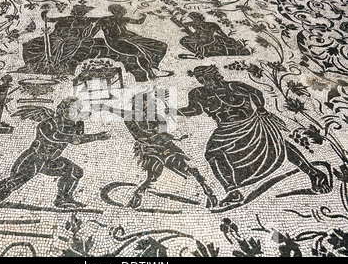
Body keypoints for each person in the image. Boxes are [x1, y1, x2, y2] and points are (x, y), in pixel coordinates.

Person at [177, 65, 331, 206]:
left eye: (204, 77)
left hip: (250, 122)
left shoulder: (235, 86)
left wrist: (261, 109)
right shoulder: (197, 93)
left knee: (275, 141)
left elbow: (256, 93)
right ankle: (233, 191)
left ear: (214, 75)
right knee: (213, 153)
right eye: (200, 79)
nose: (203, 81)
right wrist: (170, 111)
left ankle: (314, 173)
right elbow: (194, 110)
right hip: (226, 130)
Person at [0, 98, 110, 226]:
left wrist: (79, 121)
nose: (79, 111)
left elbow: (77, 138)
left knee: (75, 171)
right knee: (12, 183)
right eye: (76, 109)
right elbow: (60, 137)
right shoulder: (48, 124)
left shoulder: (72, 124)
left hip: (50, 161)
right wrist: (96, 136)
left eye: (80, 109)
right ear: (63, 110)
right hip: (34, 159)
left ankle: (63, 199)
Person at [95, 89, 217, 208]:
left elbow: (162, 133)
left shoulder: (155, 117)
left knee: (181, 167)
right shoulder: (132, 116)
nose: (148, 106)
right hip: (150, 148)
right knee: (155, 173)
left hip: (161, 146)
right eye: (145, 103)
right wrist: (106, 107)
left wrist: (171, 137)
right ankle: (139, 193)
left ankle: (206, 189)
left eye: (149, 103)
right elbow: (119, 113)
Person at [97, 5, 169, 81]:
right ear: (116, 12)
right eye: (121, 12)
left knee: (162, 45)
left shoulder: (122, 19)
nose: (123, 13)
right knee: (140, 53)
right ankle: (150, 73)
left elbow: (139, 22)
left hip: (132, 38)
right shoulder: (106, 20)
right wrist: (143, 16)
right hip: (118, 42)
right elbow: (139, 22)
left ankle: (154, 64)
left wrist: (144, 16)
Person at [171, 12, 250, 59]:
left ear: (200, 19)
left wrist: (228, 38)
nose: (194, 21)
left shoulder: (212, 25)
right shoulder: (194, 24)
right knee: (184, 40)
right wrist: (174, 19)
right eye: (193, 19)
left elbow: (222, 34)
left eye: (196, 19)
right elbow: (181, 25)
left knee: (204, 45)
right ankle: (198, 52)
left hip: (210, 41)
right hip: (198, 40)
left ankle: (200, 53)